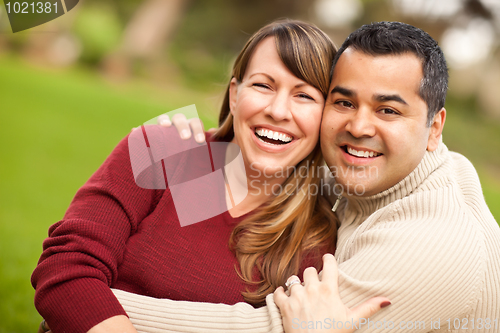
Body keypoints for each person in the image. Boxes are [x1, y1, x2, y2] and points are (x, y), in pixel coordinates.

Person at [105, 21, 500, 333]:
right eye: (344, 102)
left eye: (388, 111)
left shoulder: (433, 245)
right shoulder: (365, 176)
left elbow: (269, 329)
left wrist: (93, 305)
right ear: (234, 91)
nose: (359, 126)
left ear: (435, 128)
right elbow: (222, 204)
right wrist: (185, 152)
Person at [32, 20, 389, 333]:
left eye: (304, 96)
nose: (278, 111)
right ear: (234, 95)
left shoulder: (315, 236)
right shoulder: (165, 150)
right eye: (263, 86)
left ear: (326, 116)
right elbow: (66, 268)